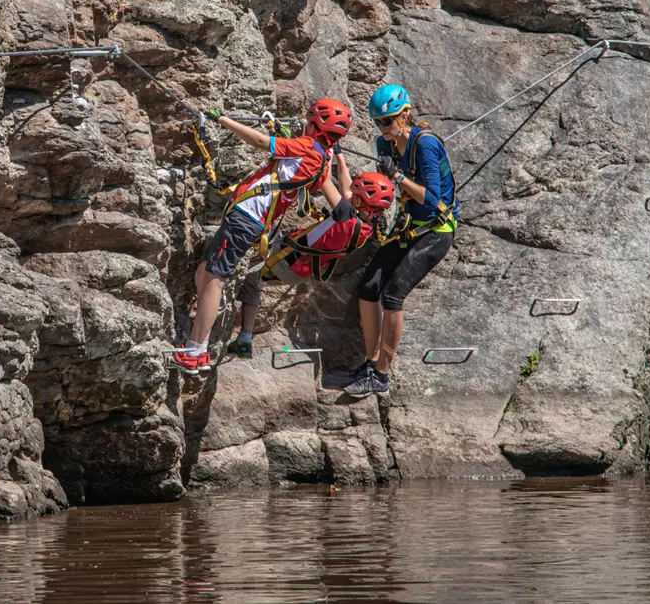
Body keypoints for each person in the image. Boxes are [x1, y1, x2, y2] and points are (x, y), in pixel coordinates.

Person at [173, 100, 353, 376]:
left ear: (315, 126)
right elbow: (339, 205)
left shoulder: (305, 148)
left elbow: (259, 140)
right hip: (255, 222)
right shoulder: (323, 160)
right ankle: (198, 346)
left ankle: (197, 349)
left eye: (308, 120)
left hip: (247, 217)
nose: (303, 122)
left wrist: (221, 118)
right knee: (204, 274)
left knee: (214, 280)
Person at [344, 84, 458, 399]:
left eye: (388, 121)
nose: (383, 128)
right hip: (409, 226)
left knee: (393, 295)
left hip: (436, 230)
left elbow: (433, 198)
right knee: (368, 288)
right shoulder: (385, 142)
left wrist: (397, 177)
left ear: (404, 115)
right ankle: (371, 362)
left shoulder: (426, 144)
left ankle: (382, 374)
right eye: (379, 123)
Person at [225, 172, 396, 360]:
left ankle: (238, 330)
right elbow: (347, 193)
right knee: (252, 281)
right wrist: (338, 154)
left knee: (259, 218)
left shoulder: (345, 216)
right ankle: (244, 339)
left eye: (356, 197)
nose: (351, 197)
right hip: (296, 268)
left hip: (285, 260)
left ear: (360, 203)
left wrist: (322, 154)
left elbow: (322, 178)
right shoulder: (363, 225)